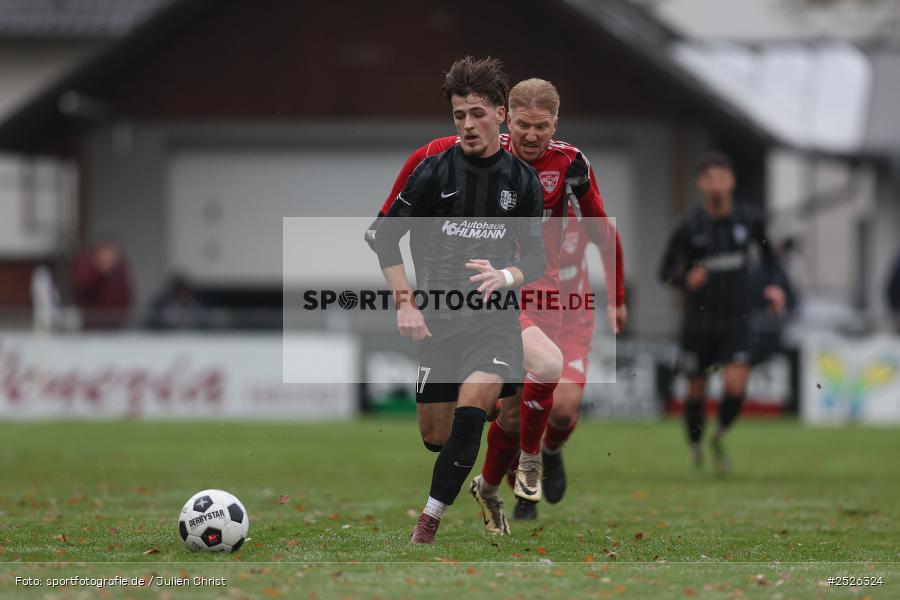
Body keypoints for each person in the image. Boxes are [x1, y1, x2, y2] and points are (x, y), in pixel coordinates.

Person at [368, 78, 627, 533]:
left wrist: (616, 296)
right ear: (509, 118)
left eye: (540, 127)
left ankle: (526, 463)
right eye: (460, 116)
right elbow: (387, 227)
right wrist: (406, 297)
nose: (531, 135)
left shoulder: (563, 168)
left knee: (549, 389)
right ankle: (498, 472)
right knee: (445, 431)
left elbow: (590, 234)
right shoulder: (450, 155)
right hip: (468, 305)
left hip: (533, 302)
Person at [370, 56, 546, 544]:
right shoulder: (433, 172)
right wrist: (405, 301)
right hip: (440, 322)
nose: (467, 124)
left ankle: (427, 523)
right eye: (458, 115)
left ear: (501, 114)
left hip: (495, 322)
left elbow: (535, 256)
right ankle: (494, 411)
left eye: (477, 113)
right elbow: (383, 237)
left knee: (471, 412)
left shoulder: (523, 182)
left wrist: (507, 274)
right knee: (436, 436)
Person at [658, 152, 785, 474]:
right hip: (698, 321)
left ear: (731, 181)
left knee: (735, 387)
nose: (716, 185)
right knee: (696, 390)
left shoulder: (750, 219)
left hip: (738, 319)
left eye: (722, 178)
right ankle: (696, 443)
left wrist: (773, 286)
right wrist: (687, 279)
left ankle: (720, 433)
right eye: (709, 179)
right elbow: (664, 271)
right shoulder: (688, 225)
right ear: (701, 184)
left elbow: (771, 259)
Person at [74, 238, 133, 329]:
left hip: (116, 325)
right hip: (92, 326)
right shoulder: (87, 267)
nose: (110, 258)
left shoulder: (121, 271)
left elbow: (126, 296)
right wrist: (99, 271)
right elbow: (82, 288)